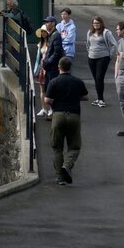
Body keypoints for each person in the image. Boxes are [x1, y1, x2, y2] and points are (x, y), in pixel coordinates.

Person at [44, 56, 89, 185]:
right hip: (74, 116)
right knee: (74, 147)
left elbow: (47, 100)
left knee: (57, 148)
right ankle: (67, 165)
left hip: (58, 116)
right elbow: (85, 97)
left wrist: (56, 100)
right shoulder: (77, 82)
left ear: (59, 67)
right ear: (70, 67)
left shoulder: (54, 82)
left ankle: (59, 177)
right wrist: (75, 97)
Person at [86, 15, 117, 106]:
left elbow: (114, 44)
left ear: (101, 23)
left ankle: (101, 99)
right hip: (91, 57)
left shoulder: (106, 32)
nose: (96, 24)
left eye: (97, 23)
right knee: (96, 79)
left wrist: (110, 56)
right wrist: (90, 52)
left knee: (99, 78)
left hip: (103, 58)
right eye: (94, 23)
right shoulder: (90, 32)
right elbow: (88, 44)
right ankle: (98, 98)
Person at [40, 16, 63, 119]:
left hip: (53, 67)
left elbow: (57, 52)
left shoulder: (56, 35)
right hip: (50, 67)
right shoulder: (51, 35)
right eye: (45, 22)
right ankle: (53, 111)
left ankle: (54, 112)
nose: (46, 24)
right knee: (48, 88)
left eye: (48, 22)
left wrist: (48, 62)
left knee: (52, 89)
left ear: (53, 23)